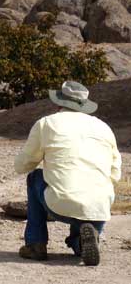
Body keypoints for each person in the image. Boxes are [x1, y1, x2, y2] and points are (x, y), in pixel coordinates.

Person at [14, 81, 122, 266]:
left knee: (35, 178)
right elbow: (115, 174)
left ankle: (35, 244)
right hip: (100, 206)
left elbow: (24, 165)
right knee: (87, 188)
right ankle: (81, 240)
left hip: (61, 203)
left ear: (59, 102)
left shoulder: (46, 123)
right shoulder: (103, 127)